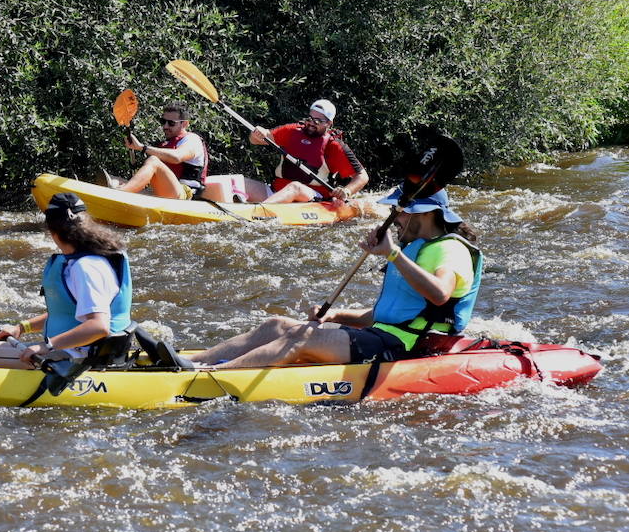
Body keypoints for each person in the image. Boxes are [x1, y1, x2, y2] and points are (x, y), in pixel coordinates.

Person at [185, 188, 481, 369]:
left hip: (405, 346)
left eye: (399, 212)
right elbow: (387, 314)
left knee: (302, 337)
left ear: (425, 214)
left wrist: (392, 254)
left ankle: (211, 375)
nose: (395, 218)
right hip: (385, 335)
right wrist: (336, 314)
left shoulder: (450, 250)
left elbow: (440, 294)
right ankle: (192, 362)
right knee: (277, 325)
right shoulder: (416, 248)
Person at [0, 193, 132, 368]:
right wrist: (21, 328)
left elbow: (99, 326)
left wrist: (46, 346)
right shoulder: (94, 258)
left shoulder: (85, 267)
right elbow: (71, 312)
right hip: (81, 352)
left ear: (53, 232)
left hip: (78, 361)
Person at [247, 99, 369, 205]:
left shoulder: (334, 146)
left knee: (295, 187)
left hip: (313, 198)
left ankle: (259, 210)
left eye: (317, 121)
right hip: (276, 192)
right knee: (236, 181)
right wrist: (258, 132)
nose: (311, 123)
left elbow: (362, 176)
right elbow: (256, 140)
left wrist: (347, 191)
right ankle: (244, 211)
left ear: (329, 123)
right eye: (310, 119)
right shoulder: (292, 131)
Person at [110, 102, 230, 202]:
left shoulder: (192, 140)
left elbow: (177, 157)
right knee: (115, 180)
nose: (165, 126)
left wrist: (142, 147)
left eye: (171, 123)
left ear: (185, 124)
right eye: (163, 121)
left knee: (153, 161)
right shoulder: (166, 144)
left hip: (185, 196)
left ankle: (119, 195)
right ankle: (117, 192)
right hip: (165, 193)